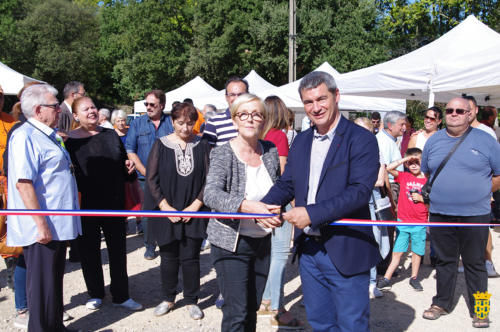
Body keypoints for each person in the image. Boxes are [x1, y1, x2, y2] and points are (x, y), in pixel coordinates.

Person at [260, 71, 381, 332]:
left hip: (346, 247)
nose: (315, 108)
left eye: (321, 99)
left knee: (351, 325)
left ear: (336, 96)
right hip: (310, 252)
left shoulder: (361, 139)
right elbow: (287, 183)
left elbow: (359, 191)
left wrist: (311, 213)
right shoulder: (302, 140)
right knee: (320, 323)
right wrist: (265, 205)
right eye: (308, 102)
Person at [203, 93, 282, 332]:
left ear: (263, 120)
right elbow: (211, 194)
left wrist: (277, 209)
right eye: (243, 114)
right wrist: (248, 207)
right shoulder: (223, 153)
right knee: (236, 313)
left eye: (256, 114)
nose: (250, 119)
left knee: (252, 308)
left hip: (262, 242)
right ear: (234, 120)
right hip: (230, 243)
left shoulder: (270, 150)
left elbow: (277, 189)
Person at [7, 83, 82, 332]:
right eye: (54, 105)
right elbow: (24, 184)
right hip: (42, 226)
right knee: (40, 286)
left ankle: (55, 326)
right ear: (39, 110)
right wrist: (40, 224)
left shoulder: (47, 134)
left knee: (53, 282)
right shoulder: (24, 136)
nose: (60, 110)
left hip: (57, 223)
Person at [420, 97, 500, 329]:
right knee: (445, 261)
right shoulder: (434, 141)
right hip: (440, 213)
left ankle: (481, 310)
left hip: (475, 215)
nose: (454, 114)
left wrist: (481, 192)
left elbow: (498, 175)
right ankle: (441, 304)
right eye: (449, 110)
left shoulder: (487, 141)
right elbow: (427, 173)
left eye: (459, 110)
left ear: (469, 114)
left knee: (476, 263)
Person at [65, 96, 142, 312]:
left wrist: (128, 169)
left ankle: (121, 294)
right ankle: (96, 293)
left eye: (93, 107)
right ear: (75, 116)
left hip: (114, 202)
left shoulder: (110, 134)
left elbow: (122, 163)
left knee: (118, 250)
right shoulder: (69, 141)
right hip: (85, 204)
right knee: (89, 251)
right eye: (85, 109)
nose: (91, 111)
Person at [143, 102, 209, 320]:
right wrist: (164, 206)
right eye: (180, 123)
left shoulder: (202, 145)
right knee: (168, 256)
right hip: (166, 210)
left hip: (194, 210)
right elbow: (151, 179)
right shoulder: (160, 145)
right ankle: (168, 298)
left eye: (190, 123)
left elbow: (210, 179)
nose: (185, 128)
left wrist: (196, 205)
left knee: (191, 258)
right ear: (172, 122)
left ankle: (192, 299)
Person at [257, 96, 301, 328]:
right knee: (280, 255)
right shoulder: (279, 136)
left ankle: (266, 300)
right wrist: (295, 203)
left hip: (261, 202)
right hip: (279, 203)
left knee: (270, 254)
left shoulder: (259, 135)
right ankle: (276, 305)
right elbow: (284, 173)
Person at [125, 89, 174, 260]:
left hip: (169, 178)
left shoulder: (172, 122)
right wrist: (146, 172)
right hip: (144, 178)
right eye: (146, 104)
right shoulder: (137, 123)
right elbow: (130, 150)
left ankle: (167, 243)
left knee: (169, 210)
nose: (148, 107)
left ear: (162, 105)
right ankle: (149, 246)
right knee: (148, 213)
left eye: (152, 104)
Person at [376, 148, 428, 292]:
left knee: (417, 252)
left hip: (420, 222)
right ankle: (387, 278)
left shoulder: (426, 179)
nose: (414, 165)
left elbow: (433, 200)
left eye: (417, 162)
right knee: (398, 252)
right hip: (403, 222)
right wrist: (406, 159)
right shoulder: (404, 176)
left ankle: (414, 277)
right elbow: (387, 168)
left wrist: (422, 199)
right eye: (411, 162)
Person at [354, 117, 391, 299]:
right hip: (351, 201)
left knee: (373, 241)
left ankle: (371, 282)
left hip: (370, 201)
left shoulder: (377, 152)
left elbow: (380, 180)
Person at [464, 96, 499, 278]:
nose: (465, 113)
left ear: (476, 110)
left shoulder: (487, 132)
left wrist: (488, 189)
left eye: (468, 109)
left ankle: (488, 261)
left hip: (481, 189)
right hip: (461, 191)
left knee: (482, 227)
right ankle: (467, 260)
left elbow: (496, 167)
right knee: (462, 227)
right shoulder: (457, 131)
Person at [201, 76, 248, 147]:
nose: (237, 98)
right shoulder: (214, 122)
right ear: (226, 97)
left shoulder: (255, 120)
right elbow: (205, 152)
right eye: (232, 95)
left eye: (240, 94)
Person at [376, 111, 406, 202]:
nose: (404, 128)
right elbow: (384, 169)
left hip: (392, 186)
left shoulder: (388, 140)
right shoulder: (383, 141)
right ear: (390, 125)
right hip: (389, 187)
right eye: (402, 124)